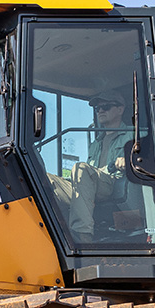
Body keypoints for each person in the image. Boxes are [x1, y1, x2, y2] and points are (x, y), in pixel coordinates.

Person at [47, 90, 135, 243]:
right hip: (93, 183)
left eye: (106, 107)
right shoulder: (96, 143)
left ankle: (83, 236)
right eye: (97, 109)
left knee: (81, 168)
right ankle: (57, 233)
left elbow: (141, 160)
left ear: (120, 109)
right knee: (44, 179)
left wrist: (126, 159)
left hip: (112, 182)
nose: (100, 110)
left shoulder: (131, 136)